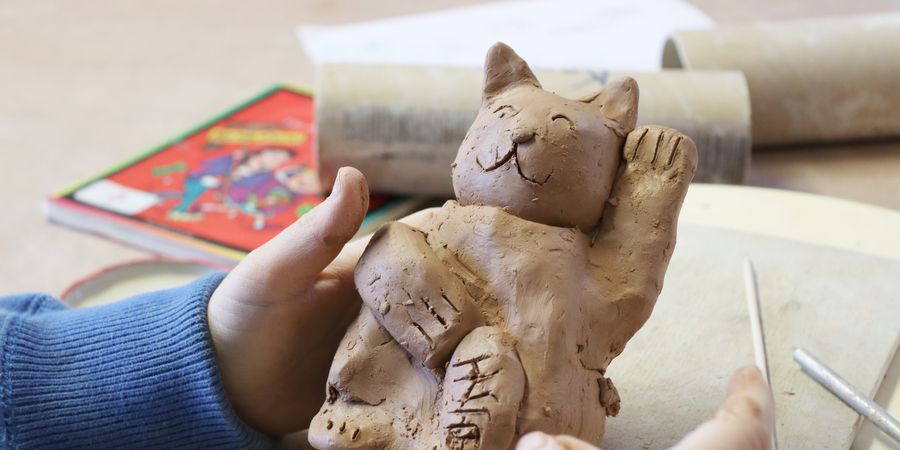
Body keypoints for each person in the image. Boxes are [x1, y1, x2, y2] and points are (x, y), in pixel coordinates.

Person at [0, 167, 774, 449]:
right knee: (386, 320)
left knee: (487, 361)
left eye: (558, 137)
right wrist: (393, 263)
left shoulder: (572, 255)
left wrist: (207, 360)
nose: (518, 147)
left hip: (509, 388)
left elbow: (623, 294)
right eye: (503, 125)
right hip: (396, 379)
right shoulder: (434, 224)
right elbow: (384, 266)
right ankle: (373, 422)